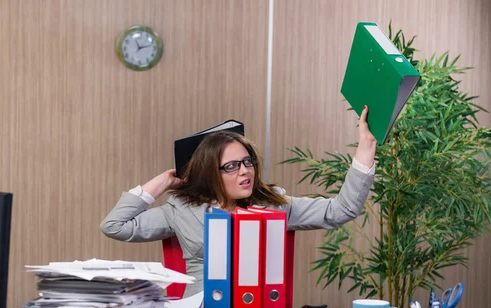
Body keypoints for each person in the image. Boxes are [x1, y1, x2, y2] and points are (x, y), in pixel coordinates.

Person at [100, 107, 376, 297]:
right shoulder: (181, 210)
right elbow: (115, 226)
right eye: (231, 166)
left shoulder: (275, 204)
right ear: (210, 173)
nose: (245, 171)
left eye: (247, 162)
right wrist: (161, 184)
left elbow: (342, 209)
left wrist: (365, 150)